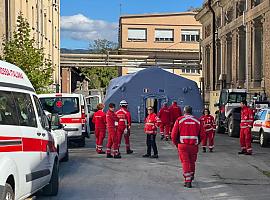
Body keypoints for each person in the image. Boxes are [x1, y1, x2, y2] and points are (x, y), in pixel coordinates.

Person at [171, 105, 202, 188]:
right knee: (192, 162)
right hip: (193, 145)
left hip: (182, 145)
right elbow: (202, 134)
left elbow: (173, 135)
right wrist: (197, 142)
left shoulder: (179, 120)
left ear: (184, 112)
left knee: (185, 162)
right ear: (191, 112)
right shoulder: (198, 121)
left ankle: (188, 181)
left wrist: (176, 144)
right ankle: (191, 176)